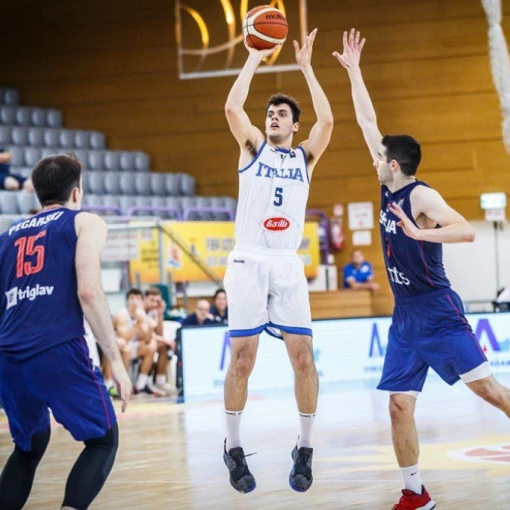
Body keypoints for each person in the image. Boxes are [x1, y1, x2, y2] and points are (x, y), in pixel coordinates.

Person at [335, 29, 510, 509]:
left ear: (395, 164)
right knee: (398, 404)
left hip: (437, 309)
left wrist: (421, 233)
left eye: (380, 157)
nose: (373, 159)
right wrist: (355, 72)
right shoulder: (387, 185)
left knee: (488, 390)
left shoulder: (421, 196)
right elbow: (366, 120)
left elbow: (465, 230)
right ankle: (415, 492)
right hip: (405, 315)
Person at [0, 154, 131, 510]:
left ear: (39, 193)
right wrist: (116, 361)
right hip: (59, 350)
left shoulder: (6, 237)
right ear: (77, 192)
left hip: (9, 359)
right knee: (103, 440)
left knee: (27, 449)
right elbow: (89, 292)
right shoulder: (85, 222)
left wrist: (2, 354)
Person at [222, 28, 333, 494]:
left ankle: (304, 447)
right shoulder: (252, 147)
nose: (273, 116)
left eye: (282, 113)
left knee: (303, 357)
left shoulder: (305, 157)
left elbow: (327, 121)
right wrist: (253, 56)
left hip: (286, 262)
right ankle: (232, 446)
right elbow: (233, 109)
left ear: (294, 125)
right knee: (243, 359)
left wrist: (306, 68)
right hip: (249, 259)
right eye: (270, 112)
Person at [113, 288, 162, 396]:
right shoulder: (121, 315)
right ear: (127, 301)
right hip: (120, 347)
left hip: (134, 346)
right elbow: (125, 339)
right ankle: (122, 385)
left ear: (142, 301)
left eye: (138, 299)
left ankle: (140, 385)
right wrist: (137, 325)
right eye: (132, 298)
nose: (134, 302)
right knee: (127, 349)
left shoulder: (142, 315)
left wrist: (149, 327)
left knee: (152, 346)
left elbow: (147, 338)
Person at [144, 287, 175, 395]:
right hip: (138, 343)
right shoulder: (140, 312)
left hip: (149, 342)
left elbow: (159, 334)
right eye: (152, 300)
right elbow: (148, 336)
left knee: (163, 347)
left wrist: (160, 313)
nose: (154, 304)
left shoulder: (153, 313)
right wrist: (168, 341)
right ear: (145, 299)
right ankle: (144, 384)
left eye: (157, 301)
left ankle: (160, 381)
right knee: (154, 345)